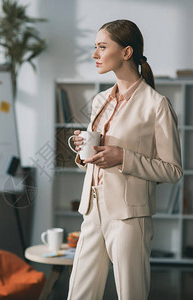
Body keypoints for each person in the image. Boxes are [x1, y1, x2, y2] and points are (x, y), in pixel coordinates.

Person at [67, 19, 183, 300]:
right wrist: (83, 153)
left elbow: (173, 170)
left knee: (131, 295)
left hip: (129, 217)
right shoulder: (100, 100)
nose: (95, 54)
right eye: (95, 47)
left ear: (126, 52)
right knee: (79, 294)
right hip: (92, 211)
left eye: (102, 47)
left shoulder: (156, 105)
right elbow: (96, 154)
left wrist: (123, 157)